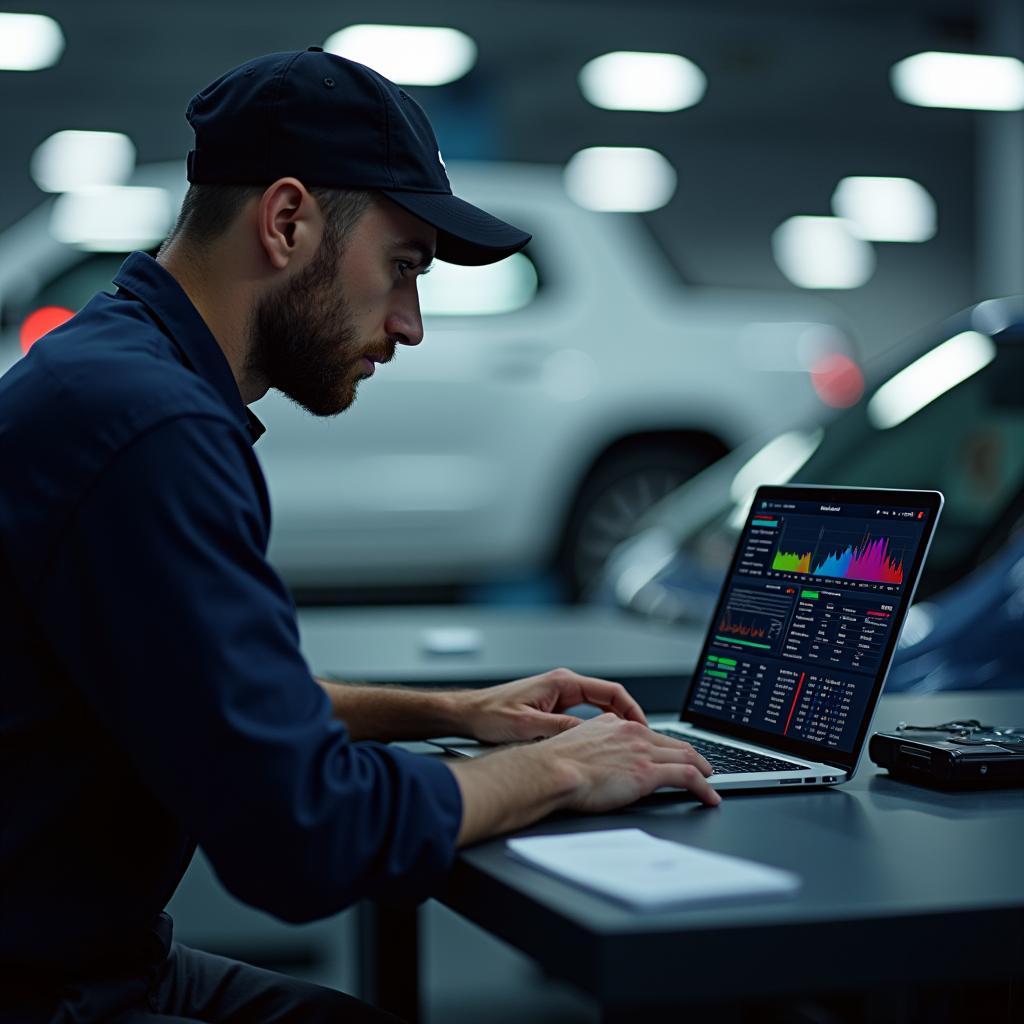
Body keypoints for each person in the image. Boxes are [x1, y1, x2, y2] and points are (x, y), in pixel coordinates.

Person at [0, 49, 719, 1023]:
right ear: (288, 220)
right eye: (403, 267)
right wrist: (560, 765)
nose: (411, 323)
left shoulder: (113, 373)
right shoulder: (152, 429)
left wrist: (454, 712)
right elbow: (303, 833)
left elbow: (215, 699)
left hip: (86, 958)